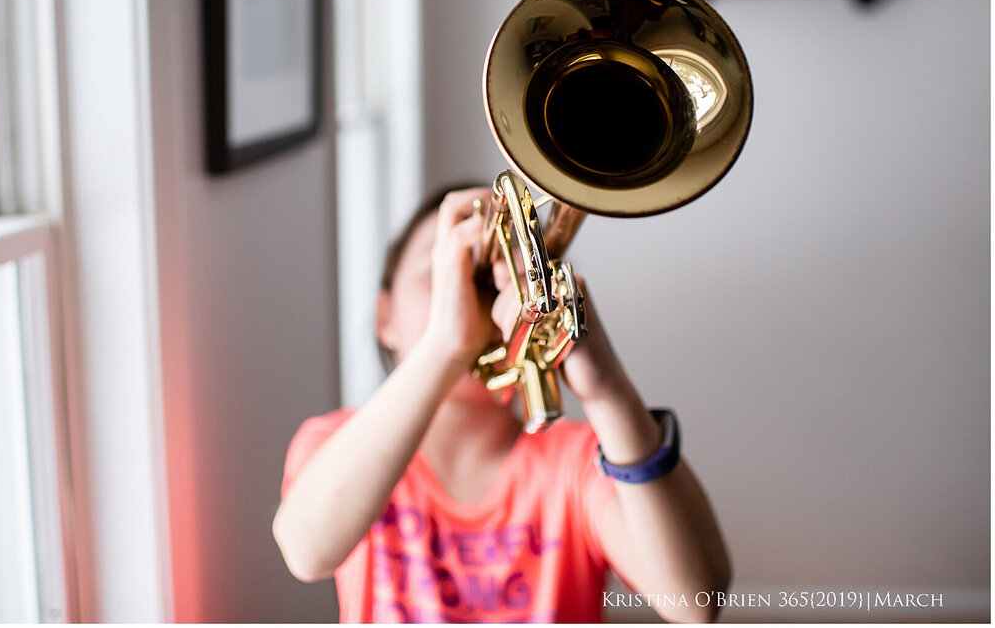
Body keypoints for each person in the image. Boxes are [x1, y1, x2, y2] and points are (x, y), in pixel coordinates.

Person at [273, 184, 730, 623]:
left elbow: (695, 601)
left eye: (494, 276)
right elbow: (306, 550)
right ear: (384, 316)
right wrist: (443, 348)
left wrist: (606, 388)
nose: (474, 291)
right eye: (441, 271)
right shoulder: (333, 442)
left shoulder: (578, 464)